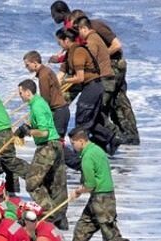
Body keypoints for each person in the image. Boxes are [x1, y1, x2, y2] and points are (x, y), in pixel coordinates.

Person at [73, 15, 139, 145]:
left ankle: (114, 137)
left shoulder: (94, 34)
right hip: (109, 74)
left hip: (108, 74)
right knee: (115, 104)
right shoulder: (94, 37)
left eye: (78, 30)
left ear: (84, 27)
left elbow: (116, 46)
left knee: (99, 110)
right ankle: (126, 135)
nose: (78, 35)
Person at [15, 79, 68, 230]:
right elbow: (41, 124)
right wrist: (25, 128)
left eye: (21, 93)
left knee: (32, 183)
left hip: (47, 146)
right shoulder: (39, 103)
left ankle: (49, 213)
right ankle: (60, 216)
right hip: (56, 144)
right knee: (56, 182)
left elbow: (44, 131)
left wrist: (29, 132)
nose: (20, 97)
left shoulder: (37, 106)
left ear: (27, 92)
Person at [67, 128, 122, 241]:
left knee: (110, 236)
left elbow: (90, 185)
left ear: (81, 141)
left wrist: (78, 191)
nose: (72, 146)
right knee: (82, 230)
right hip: (98, 198)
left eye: (73, 143)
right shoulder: (97, 150)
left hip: (102, 199)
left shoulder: (87, 157)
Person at [56, 29, 118, 155]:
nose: (60, 46)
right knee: (91, 121)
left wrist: (64, 81)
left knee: (82, 121)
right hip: (94, 87)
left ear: (66, 41)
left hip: (92, 87)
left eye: (60, 43)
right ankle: (111, 138)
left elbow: (80, 78)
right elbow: (63, 71)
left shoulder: (78, 52)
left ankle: (81, 153)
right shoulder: (72, 52)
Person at [23, 51, 70, 140]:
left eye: (27, 65)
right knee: (58, 141)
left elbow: (45, 100)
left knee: (55, 142)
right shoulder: (46, 71)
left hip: (58, 112)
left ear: (35, 63)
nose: (26, 68)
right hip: (62, 110)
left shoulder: (43, 76)